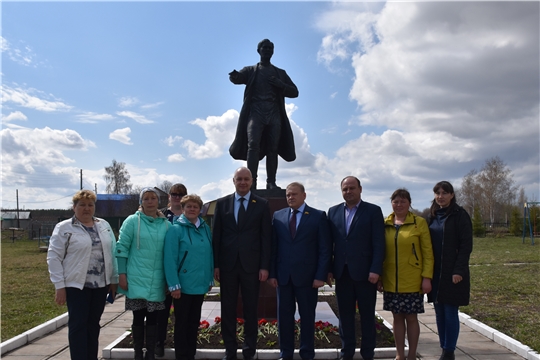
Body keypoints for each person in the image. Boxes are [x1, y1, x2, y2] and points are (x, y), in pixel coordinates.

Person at [47, 190, 119, 360]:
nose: (86, 209)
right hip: (76, 286)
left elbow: (112, 252)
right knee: (78, 326)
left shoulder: (103, 225)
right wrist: (60, 286)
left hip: (100, 285)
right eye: (82, 205)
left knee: (93, 325)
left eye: (90, 205)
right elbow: (54, 257)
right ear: (74, 207)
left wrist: (113, 280)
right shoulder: (65, 228)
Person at [212, 167, 272, 360]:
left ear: (252, 181)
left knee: (250, 308)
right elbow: (217, 237)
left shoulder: (262, 204)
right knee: (227, 308)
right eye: (240, 179)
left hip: (252, 267)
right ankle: (230, 350)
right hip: (228, 266)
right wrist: (216, 265)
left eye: (246, 179)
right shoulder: (222, 204)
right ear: (233, 181)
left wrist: (264, 266)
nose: (243, 182)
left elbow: (266, 237)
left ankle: (249, 349)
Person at [268, 182, 331, 360]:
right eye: (288, 195)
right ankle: (285, 353)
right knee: (284, 319)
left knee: (307, 317)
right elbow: (274, 247)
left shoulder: (318, 216)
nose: (290, 197)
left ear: (304, 195)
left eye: (294, 194)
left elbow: (324, 249)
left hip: (308, 278)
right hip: (283, 277)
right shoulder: (278, 216)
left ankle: (307, 354)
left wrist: (320, 276)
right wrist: (272, 273)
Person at [327, 176, 385, 360]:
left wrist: (376, 269)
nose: (348, 192)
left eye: (352, 188)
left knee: (367, 316)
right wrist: (329, 269)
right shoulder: (333, 212)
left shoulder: (373, 211)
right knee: (345, 316)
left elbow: (378, 243)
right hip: (342, 274)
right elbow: (329, 244)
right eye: (345, 189)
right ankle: (347, 353)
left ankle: (368, 354)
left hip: (366, 274)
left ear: (360, 189)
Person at [229, 39, 298, 190]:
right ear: (258, 50)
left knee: (273, 148)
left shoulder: (280, 73)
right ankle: (251, 183)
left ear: (272, 51)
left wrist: (281, 85)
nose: (267, 50)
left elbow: (294, 92)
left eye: (269, 48)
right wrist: (235, 77)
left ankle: (271, 182)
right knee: (253, 145)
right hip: (256, 113)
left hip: (274, 113)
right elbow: (239, 77)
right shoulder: (251, 70)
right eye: (264, 47)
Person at [378, 189, 434, 360]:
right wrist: (380, 276)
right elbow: (379, 252)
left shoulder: (419, 223)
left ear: (409, 203)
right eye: (395, 201)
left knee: (411, 317)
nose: (399, 204)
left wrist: (426, 277)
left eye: (403, 201)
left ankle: (411, 355)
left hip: (412, 280)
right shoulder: (385, 223)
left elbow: (427, 251)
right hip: (391, 280)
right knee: (396, 318)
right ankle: (399, 354)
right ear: (391, 203)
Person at [116, 187, 170, 360]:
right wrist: (121, 274)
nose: (149, 201)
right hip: (135, 278)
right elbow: (121, 248)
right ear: (141, 202)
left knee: (154, 318)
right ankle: (138, 353)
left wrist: (169, 280)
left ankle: (150, 353)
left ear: (158, 201)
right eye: (146, 198)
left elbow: (170, 254)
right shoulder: (132, 221)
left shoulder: (166, 225)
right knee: (138, 317)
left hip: (157, 280)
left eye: (153, 198)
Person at [164, 194, 213, 360]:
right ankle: (182, 355)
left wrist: (209, 278)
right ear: (183, 208)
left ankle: (190, 354)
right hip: (182, 287)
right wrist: (173, 284)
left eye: (195, 207)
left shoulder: (205, 228)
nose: (192, 209)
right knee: (182, 324)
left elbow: (209, 254)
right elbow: (169, 258)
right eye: (189, 206)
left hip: (199, 284)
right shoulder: (175, 229)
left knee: (194, 323)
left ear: (200, 210)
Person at [427, 181, 472, 360]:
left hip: (453, 272)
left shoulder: (460, 215)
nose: (441, 196)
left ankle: (449, 350)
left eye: (445, 193)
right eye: (438, 193)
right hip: (435, 271)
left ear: (452, 195)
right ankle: (443, 346)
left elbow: (466, 245)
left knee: (450, 310)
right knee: (438, 311)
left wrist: (459, 270)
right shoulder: (432, 215)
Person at [155, 183, 188, 357]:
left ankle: (180, 344)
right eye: (174, 194)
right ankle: (159, 342)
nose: (177, 197)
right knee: (162, 311)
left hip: (184, 271)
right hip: (163, 268)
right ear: (169, 196)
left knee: (182, 314)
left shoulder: (189, 215)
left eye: (181, 194)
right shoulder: (160, 215)